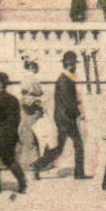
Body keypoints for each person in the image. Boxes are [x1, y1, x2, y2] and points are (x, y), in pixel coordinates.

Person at [36, 51, 87, 179]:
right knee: (75, 145)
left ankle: (37, 166)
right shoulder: (64, 80)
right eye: (74, 64)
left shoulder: (66, 78)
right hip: (66, 118)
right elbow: (67, 101)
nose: (75, 66)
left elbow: (69, 99)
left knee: (60, 147)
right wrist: (78, 113)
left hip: (64, 117)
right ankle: (79, 173)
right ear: (70, 64)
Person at [0, 72, 27, 194]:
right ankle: (22, 181)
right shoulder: (13, 99)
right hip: (11, 134)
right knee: (9, 159)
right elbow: (18, 118)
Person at [17, 58, 46, 171]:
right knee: (32, 139)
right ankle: (34, 165)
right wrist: (36, 100)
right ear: (31, 67)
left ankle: (34, 165)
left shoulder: (28, 78)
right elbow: (25, 98)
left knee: (31, 139)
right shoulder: (29, 79)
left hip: (31, 112)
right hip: (32, 112)